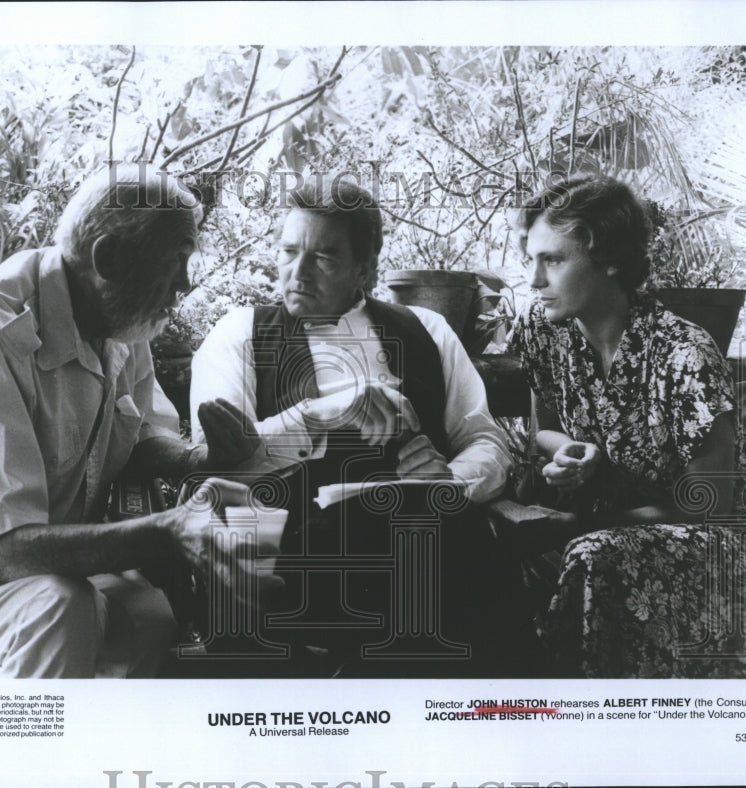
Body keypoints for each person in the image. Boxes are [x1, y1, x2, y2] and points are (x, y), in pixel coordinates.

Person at [0, 166, 262, 678]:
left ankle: (81, 728)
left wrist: (194, 458)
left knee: (149, 616)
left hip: (11, 567)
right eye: (175, 262)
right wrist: (168, 531)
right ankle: (40, 734)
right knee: (57, 610)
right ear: (110, 259)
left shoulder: (118, 318)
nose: (184, 283)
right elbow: (4, 552)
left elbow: (139, 433)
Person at [190, 176, 530, 676]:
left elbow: (484, 438)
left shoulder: (427, 330)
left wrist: (452, 481)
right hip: (297, 552)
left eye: (324, 258)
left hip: (431, 545)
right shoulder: (239, 334)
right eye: (288, 252)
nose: (297, 273)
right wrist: (318, 415)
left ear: (364, 270)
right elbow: (217, 461)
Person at [508, 174, 746, 677]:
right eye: (531, 259)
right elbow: (541, 428)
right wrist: (569, 449)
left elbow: (709, 502)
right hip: (620, 519)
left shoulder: (683, 353)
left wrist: (582, 525)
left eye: (553, 260)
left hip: (724, 536)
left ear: (610, 259)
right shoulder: (542, 329)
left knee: (591, 554)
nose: (534, 281)